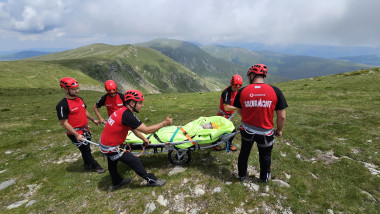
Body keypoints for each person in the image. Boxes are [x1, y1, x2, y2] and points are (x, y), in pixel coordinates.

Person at [99, 90, 173, 190]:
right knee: (134, 161)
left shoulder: (122, 111)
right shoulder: (127, 115)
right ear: (132, 103)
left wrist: (143, 139)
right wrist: (164, 123)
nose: (142, 105)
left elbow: (133, 128)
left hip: (105, 144)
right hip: (111, 146)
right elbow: (147, 130)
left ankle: (117, 181)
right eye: (140, 102)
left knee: (112, 163)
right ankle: (151, 180)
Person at [233, 64, 287, 183]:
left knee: (244, 153)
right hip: (266, 132)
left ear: (252, 75)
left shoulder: (242, 91)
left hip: (247, 130)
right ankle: (264, 178)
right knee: (265, 156)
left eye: (249, 76)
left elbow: (239, 110)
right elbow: (281, 116)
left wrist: (247, 118)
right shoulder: (275, 91)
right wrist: (279, 130)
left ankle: (242, 175)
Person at [56, 77, 106, 173]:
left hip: (85, 129)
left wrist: (93, 119)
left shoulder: (79, 99)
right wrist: (76, 135)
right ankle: (96, 166)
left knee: (85, 149)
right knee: (86, 150)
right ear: (66, 90)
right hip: (75, 132)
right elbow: (64, 123)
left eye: (77, 88)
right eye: (74, 89)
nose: (77, 91)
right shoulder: (62, 105)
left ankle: (87, 164)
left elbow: (84, 110)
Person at [214, 74, 243, 151]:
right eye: (234, 87)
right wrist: (238, 107)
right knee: (225, 131)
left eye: (237, 88)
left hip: (229, 115)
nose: (235, 89)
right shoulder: (226, 92)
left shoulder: (237, 92)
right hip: (222, 115)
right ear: (231, 84)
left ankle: (227, 144)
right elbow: (226, 107)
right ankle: (215, 143)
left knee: (231, 131)